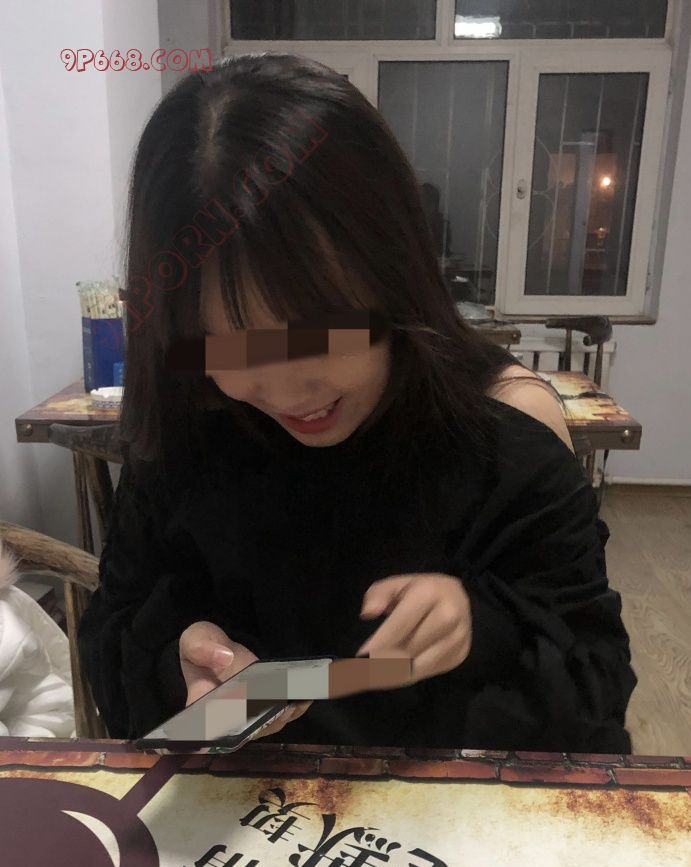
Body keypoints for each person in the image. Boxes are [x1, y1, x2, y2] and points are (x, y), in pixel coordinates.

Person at [78, 53, 637, 752]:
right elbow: (112, 641)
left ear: (392, 273)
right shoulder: (187, 439)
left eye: (318, 330)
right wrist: (179, 670)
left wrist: (480, 629)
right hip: (246, 811)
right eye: (230, 346)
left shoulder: (505, 446)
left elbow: (596, 691)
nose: (288, 390)